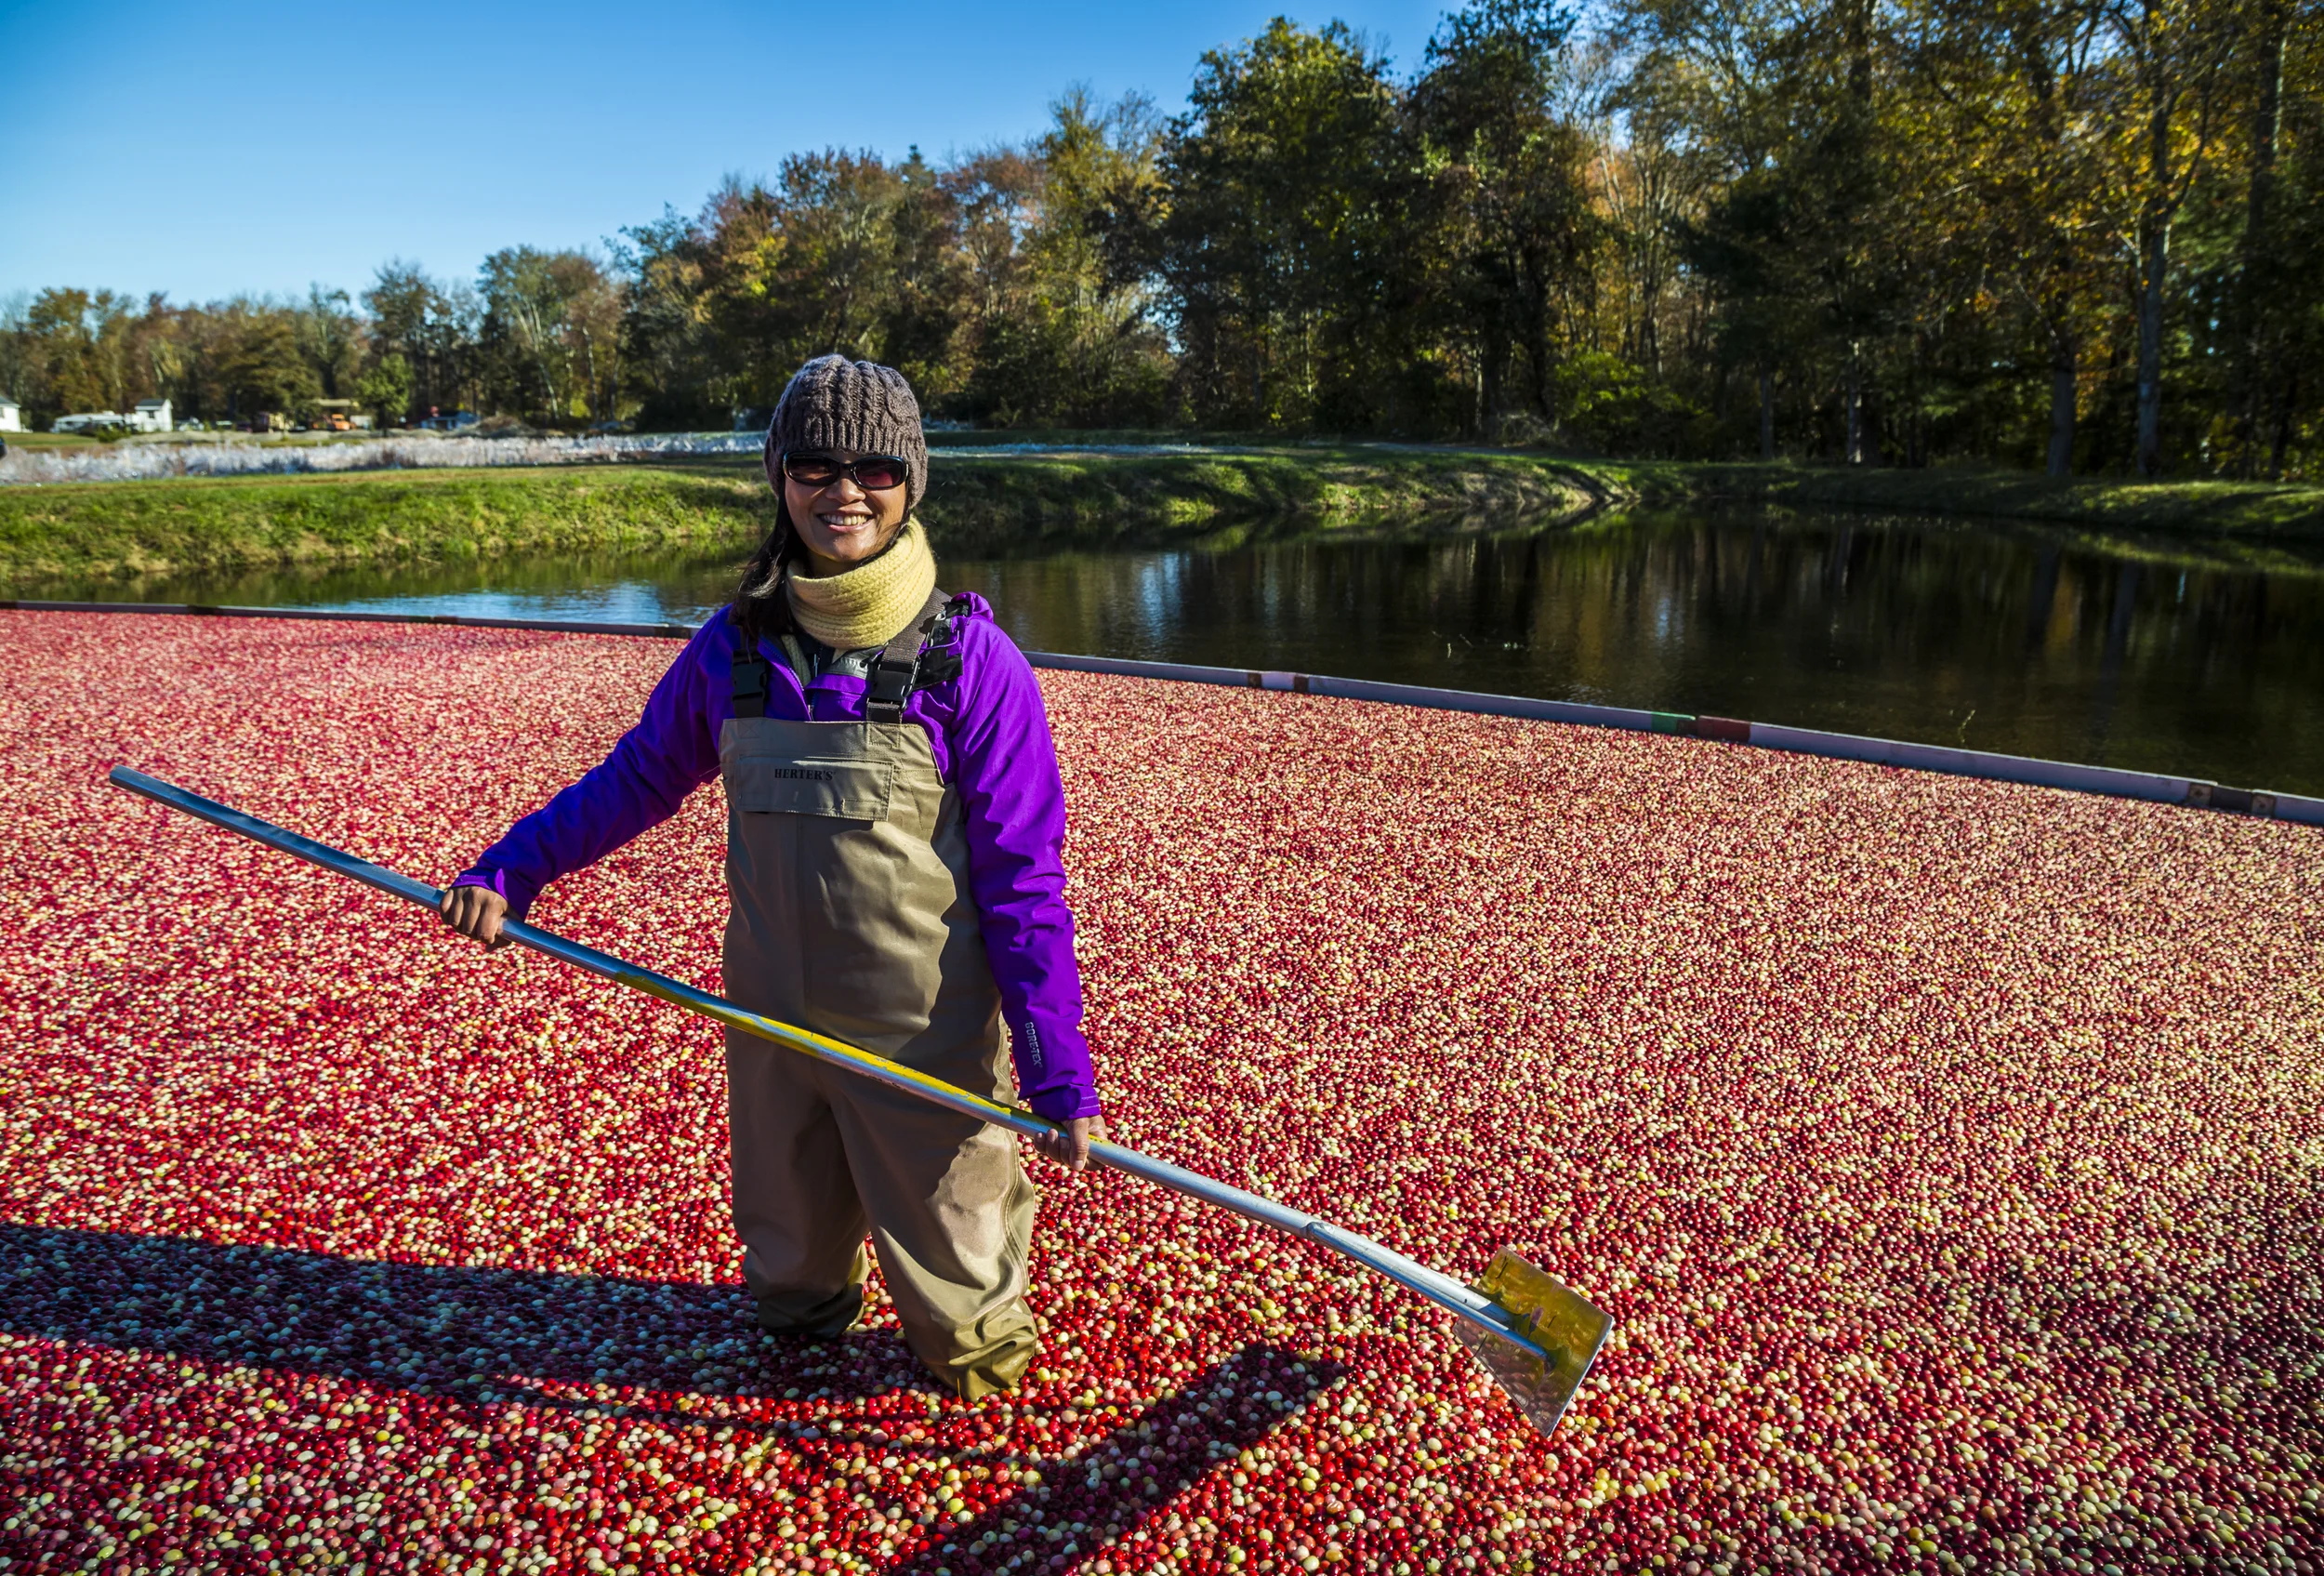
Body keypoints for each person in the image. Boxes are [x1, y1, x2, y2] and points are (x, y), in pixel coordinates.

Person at [439, 355, 1103, 1398]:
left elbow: (1025, 885)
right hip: (769, 1021)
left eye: (876, 466)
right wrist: (512, 869)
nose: (846, 490)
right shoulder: (733, 648)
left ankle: (972, 1353)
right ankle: (804, 1322)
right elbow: (636, 780)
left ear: (911, 479)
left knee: (968, 1337)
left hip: (921, 1042)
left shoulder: (972, 661)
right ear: (780, 478)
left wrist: (1058, 1071)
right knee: (789, 1289)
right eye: (816, 464)